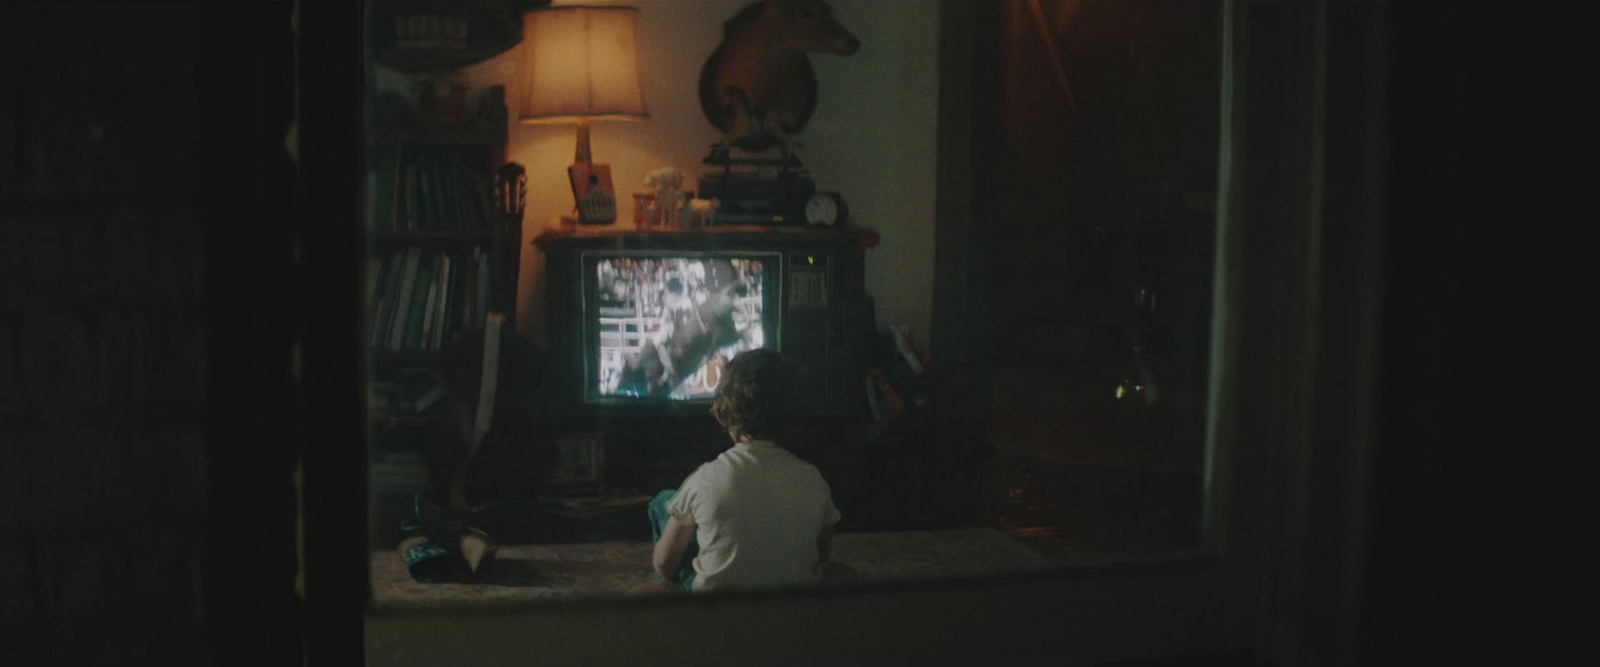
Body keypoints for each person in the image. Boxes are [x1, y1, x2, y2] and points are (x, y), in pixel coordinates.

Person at [631, 348, 855, 594]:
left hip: (714, 619)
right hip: (791, 615)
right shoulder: (813, 480)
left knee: (664, 502)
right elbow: (821, 555)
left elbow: (663, 564)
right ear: (793, 417)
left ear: (721, 417)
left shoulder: (704, 479)